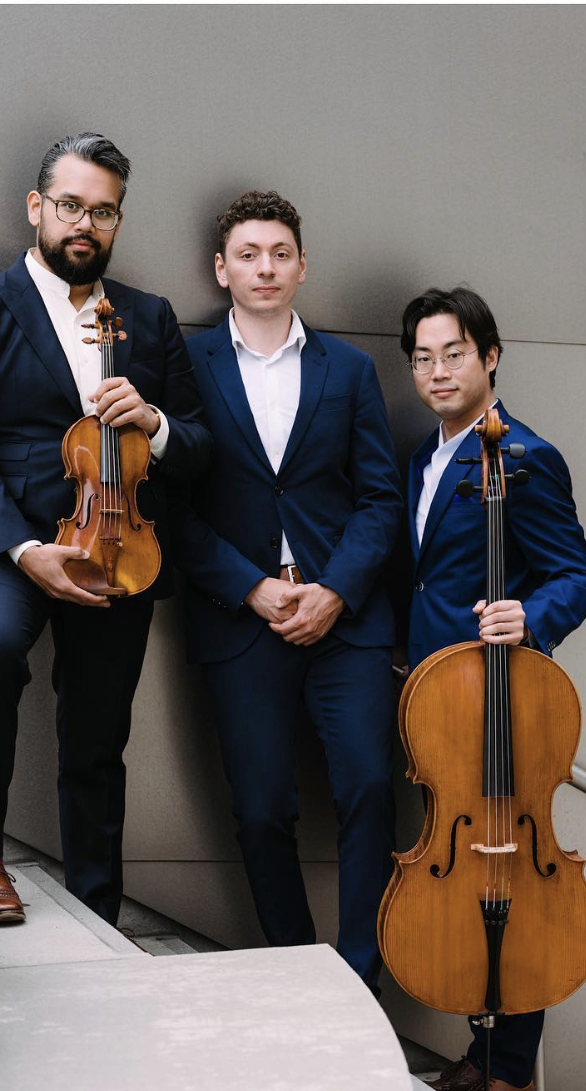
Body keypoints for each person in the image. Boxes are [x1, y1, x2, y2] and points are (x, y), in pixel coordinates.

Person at [0, 133, 210, 927]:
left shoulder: (148, 318)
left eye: (104, 211)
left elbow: (199, 447)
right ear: (37, 208)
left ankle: (97, 902)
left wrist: (154, 423)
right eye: (71, 206)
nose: (85, 223)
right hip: (12, 542)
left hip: (119, 545)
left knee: (97, 733)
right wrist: (23, 549)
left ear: (118, 220)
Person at [170, 190, 402, 994]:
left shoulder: (350, 367)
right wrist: (251, 587)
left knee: (371, 787)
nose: (264, 268)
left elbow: (380, 499)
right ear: (221, 269)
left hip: (346, 621)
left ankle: (361, 977)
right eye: (247, 254)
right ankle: (300, 978)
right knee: (262, 809)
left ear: (302, 265)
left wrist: (335, 589)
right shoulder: (185, 366)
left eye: (278, 253)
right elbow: (170, 507)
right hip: (243, 622)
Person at [396, 286, 586, 1091]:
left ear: (490, 356)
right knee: (461, 880)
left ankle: (512, 1075)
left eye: (454, 354)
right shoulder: (422, 457)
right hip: (431, 714)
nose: (438, 371)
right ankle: (483, 1056)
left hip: (494, 709)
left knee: (512, 884)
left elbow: (578, 577)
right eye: (422, 358)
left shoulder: (526, 457)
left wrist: (531, 614)